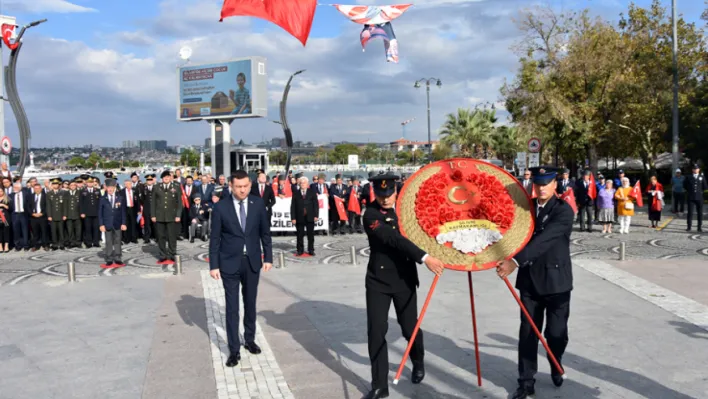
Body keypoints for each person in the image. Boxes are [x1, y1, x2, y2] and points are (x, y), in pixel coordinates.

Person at [361, 173, 445, 399]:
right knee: (376, 332)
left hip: (404, 279)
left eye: (389, 194)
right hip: (378, 281)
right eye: (381, 195)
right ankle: (379, 385)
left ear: (396, 191)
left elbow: (430, 227)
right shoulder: (370, 214)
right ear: (375, 193)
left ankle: (417, 360)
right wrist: (425, 258)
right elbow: (393, 239)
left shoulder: (408, 211)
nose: (385, 199)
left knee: (410, 328)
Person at [496, 166, 574, 399]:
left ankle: (555, 359)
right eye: (537, 184)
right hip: (530, 283)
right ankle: (526, 381)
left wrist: (515, 262)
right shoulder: (525, 209)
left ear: (555, 185)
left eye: (546, 183)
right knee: (528, 333)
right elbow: (505, 228)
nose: (541, 188)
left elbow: (545, 241)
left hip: (556, 282)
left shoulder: (563, 212)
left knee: (556, 334)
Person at [209, 170, 273, 368]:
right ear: (231, 186)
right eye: (238, 186)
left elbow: (265, 233)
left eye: (246, 186)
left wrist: (268, 257)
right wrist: (214, 265)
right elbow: (215, 238)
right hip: (229, 263)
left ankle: (250, 339)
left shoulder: (258, 203)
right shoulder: (221, 207)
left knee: (250, 303)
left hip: (252, 261)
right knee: (232, 308)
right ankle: (234, 350)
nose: (243, 190)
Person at [151, 171, 183, 263]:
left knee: (172, 236)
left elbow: (180, 204)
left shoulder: (176, 187)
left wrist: (178, 215)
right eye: (164, 177)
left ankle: (172, 253)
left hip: (172, 216)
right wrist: (153, 215)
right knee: (161, 236)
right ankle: (163, 255)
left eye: (168, 177)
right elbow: (153, 202)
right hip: (159, 216)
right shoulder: (156, 187)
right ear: (162, 178)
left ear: (170, 178)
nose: (166, 178)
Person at [99, 179, 126, 267]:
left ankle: (118, 258)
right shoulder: (102, 198)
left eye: (112, 187)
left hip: (117, 223)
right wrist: (101, 224)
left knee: (118, 240)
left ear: (114, 187)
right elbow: (100, 213)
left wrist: (124, 223)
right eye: (108, 187)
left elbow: (123, 212)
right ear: (106, 188)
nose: (110, 189)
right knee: (109, 241)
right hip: (107, 224)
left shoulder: (120, 198)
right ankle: (109, 259)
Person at [291, 176, 318, 256]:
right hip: (299, 217)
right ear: (299, 184)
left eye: (304, 183)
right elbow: (293, 206)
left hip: (310, 216)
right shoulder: (296, 193)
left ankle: (311, 250)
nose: (302, 184)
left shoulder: (312, 192)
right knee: (299, 235)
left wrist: (316, 215)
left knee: (310, 235)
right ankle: (300, 250)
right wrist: (293, 217)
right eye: (301, 183)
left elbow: (316, 205)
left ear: (307, 184)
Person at [684, 164, 707, 232]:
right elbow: (684, 185)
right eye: (694, 169)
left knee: (700, 213)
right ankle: (689, 226)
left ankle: (699, 227)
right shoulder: (688, 177)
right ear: (692, 170)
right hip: (691, 197)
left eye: (697, 169)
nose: (695, 170)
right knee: (690, 213)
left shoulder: (702, 177)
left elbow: (705, 186)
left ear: (699, 170)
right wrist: (690, 190)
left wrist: (699, 191)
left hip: (699, 197)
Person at [80, 177, 102, 248]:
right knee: (88, 228)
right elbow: (81, 203)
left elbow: (100, 202)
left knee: (96, 228)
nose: (90, 183)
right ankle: (88, 242)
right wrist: (82, 212)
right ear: (86, 183)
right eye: (89, 182)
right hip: (87, 213)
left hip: (96, 213)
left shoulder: (97, 190)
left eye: (91, 182)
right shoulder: (83, 191)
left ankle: (96, 242)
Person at [46, 178, 67, 250]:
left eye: (57, 184)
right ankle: (54, 244)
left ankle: (61, 244)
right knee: (53, 231)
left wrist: (64, 215)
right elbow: (48, 206)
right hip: (53, 215)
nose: (55, 185)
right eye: (54, 184)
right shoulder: (49, 193)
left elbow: (64, 205)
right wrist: (49, 215)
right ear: (52, 185)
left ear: (59, 185)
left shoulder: (62, 193)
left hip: (61, 215)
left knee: (61, 230)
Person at [29, 183, 49, 251]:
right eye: (35, 188)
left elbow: (48, 206)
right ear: (33, 189)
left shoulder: (45, 196)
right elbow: (27, 206)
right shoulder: (30, 196)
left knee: (44, 232)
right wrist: (32, 214)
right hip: (33, 217)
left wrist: (42, 213)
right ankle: (35, 245)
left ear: (41, 189)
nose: (37, 190)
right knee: (35, 233)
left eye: (38, 188)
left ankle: (45, 245)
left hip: (42, 217)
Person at [11, 181, 29, 251]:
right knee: (16, 231)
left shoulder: (25, 194)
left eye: (16, 187)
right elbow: (9, 206)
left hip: (23, 214)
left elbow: (28, 204)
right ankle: (17, 245)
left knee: (25, 230)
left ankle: (26, 245)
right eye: (14, 187)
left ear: (20, 188)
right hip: (15, 215)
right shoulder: (11, 195)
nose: (14, 188)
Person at [65, 179, 82, 248]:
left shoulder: (80, 193)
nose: (73, 186)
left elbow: (82, 204)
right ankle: (71, 242)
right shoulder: (65, 194)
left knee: (78, 230)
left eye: (74, 185)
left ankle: (78, 242)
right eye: (71, 185)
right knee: (70, 230)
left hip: (77, 214)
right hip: (69, 215)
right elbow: (64, 205)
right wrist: (65, 214)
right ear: (69, 186)